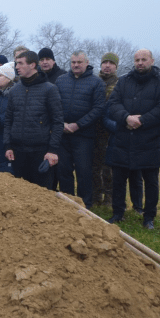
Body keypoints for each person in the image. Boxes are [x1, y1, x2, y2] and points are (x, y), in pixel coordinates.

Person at [105, 49, 160, 229]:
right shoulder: (124, 81)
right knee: (118, 179)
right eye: (137, 60)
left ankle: (148, 217)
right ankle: (118, 213)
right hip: (123, 138)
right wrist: (127, 117)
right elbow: (113, 104)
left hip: (149, 140)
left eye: (144, 59)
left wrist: (141, 121)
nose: (140, 63)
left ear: (152, 60)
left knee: (151, 182)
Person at [3, 50, 64, 188]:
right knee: (20, 192)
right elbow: (8, 121)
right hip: (18, 152)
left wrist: (53, 150)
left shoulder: (50, 89)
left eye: (20, 63)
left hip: (40, 151)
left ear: (33, 65)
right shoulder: (14, 90)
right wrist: (8, 146)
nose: (16, 67)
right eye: (16, 63)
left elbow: (58, 122)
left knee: (42, 193)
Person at [55, 51, 107, 208]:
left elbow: (98, 108)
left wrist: (78, 124)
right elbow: (54, 104)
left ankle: (85, 205)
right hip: (63, 134)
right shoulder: (61, 80)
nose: (76, 65)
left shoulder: (96, 83)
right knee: (63, 170)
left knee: (84, 172)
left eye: (79, 62)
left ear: (87, 62)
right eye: (73, 62)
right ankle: (68, 203)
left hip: (84, 135)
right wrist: (61, 123)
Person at [92, 53, 120, 206]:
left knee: (109, 167)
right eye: (105, 62)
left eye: (111, 63)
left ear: (116, 66)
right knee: (94, 166)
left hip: (110, 130)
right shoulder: (94, 81)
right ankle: (96, 197)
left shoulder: (119, 84)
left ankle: (109, 198)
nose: (107, 65)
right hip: (93, 129)